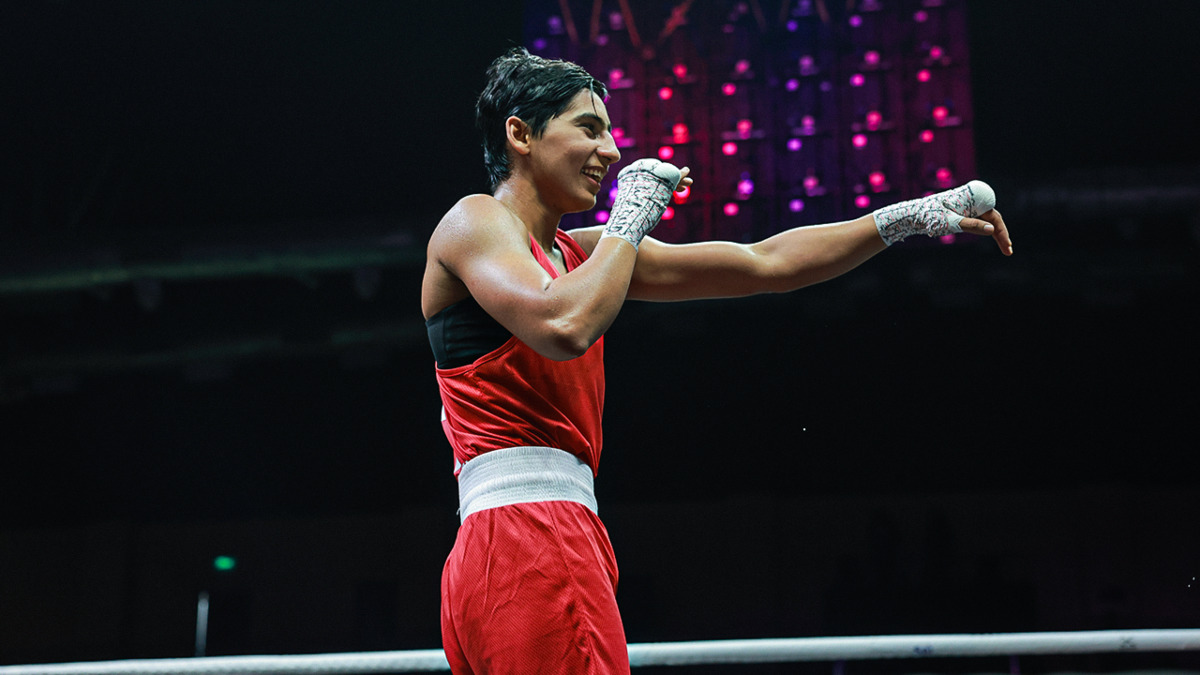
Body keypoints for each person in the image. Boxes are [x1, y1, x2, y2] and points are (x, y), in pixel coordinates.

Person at [422, 47, 1011, 675]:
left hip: (526, 543)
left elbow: (766, 264)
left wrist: (904, 220)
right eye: (589, 129)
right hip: (528, 538)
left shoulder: (579, 254)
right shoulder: (475, 220)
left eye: (611, 132)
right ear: (519, 133)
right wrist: (635, 211)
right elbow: (564, 324)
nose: (613, 151)